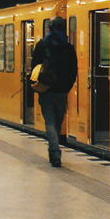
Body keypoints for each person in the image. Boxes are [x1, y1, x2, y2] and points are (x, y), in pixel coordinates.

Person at [30, 17, 78, 167]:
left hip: (46, 89)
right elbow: (73, 70)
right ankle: (54, 148)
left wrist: (37, 84)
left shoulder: (41, 45)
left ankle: (54, 151)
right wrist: (67, 87)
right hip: (62, 91)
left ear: (49, 28)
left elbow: (34, 67)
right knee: (58, 120)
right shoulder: (68, 48)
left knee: (50, 121)